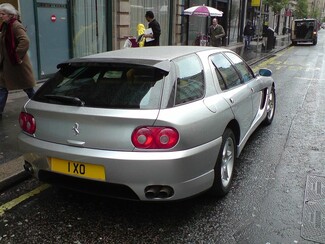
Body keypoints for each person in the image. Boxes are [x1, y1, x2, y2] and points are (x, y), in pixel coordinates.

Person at [0, 3, 36, 119]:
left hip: (17, 65)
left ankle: (40, 106)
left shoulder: (15, 25)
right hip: (7, 65)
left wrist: (16, 56)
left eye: (3, 14)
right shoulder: (5, 26)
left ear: (10, 15)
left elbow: (25, 41)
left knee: (28, 88)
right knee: (2, 87)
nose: (1, 16)